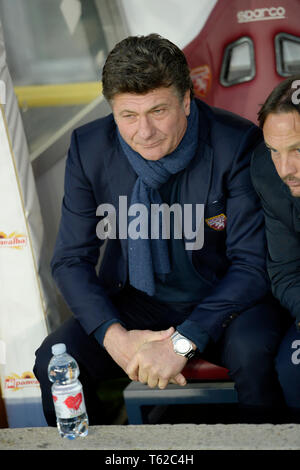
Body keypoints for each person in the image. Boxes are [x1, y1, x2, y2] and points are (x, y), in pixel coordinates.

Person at [34, 34, 287, 425]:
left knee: (255, 355)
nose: (144, 131)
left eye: (158, 111)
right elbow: (70, 260)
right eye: (128, 116)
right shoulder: (90, 147)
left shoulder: (235, 143)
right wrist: (115, 339)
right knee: (55, 355)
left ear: (186, 100)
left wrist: (182, 343)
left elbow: (251, 266)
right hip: (137, 300)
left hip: (225, 301)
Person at [251, 75, 300, 421]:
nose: (286, 169)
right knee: (293, 372)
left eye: (298, 150)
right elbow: (285, 271)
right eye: (275, 151)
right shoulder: (269, 174)